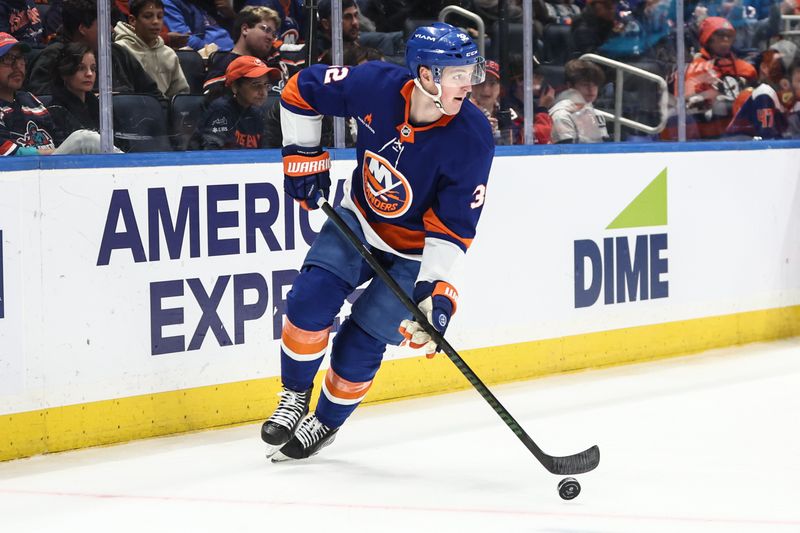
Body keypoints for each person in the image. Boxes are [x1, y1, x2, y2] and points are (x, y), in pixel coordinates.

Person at [259, 22, 494, 461]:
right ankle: (293, 396)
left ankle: (325, 422)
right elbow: (299, 90)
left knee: (360, 344)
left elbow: (454, 225)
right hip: (359, 221)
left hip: (416, 254)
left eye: (470, 72)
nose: (470, 84)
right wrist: (304, 155)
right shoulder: (374, 84)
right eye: (458, 73)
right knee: (310, 300)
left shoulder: (473, 138)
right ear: (426, 74)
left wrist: (435, 293)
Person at [0, 32, 109, 155]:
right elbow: (11, 155)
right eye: (8, 59)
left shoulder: (30, 100)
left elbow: (60, 140)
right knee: (85, 141)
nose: (17, 66)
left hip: (58, 168)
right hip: (24, 170)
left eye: (20, 58)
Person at [26, 0, 162, 97]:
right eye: (104, 22)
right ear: (83, 28)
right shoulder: (52, 57)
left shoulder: (119, 53)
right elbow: (42, 103)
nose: (111, 29)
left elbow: (155, 97)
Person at [684, 16, 757, 139]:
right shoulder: (696, 68)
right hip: (709, 134)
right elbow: (691, 103)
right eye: (720, 36)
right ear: (708, 38)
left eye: (728, 36)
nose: (725, 40)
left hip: (742, 131)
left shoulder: (745, 68)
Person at [191, 55, 280, 149]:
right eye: (256, 85)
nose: (263, 92)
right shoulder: (220, 111)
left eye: (266, 85)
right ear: (235, 87)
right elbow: (213, 153)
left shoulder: (257, 113)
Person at [113, 0, 190, 98]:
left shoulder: (169, 54)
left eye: (160, 17)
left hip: (165, 109)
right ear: (132, 20)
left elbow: (180, 94)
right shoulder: (120, 50)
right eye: (148, 16)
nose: (155, 21)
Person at [727, 44, 798, 138]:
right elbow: (767, 137)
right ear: (764, 67)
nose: (784, 73)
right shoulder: (761, 93)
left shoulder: (786, 97)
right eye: (779, 66)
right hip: (743, 148)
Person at [46, 42, 100, 145]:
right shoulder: (56, 110)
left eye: (93, 69)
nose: (89, 74)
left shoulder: (97, 105)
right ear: (64, 72)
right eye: (81, 68)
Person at [549, 58, 609, 143]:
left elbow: (604, 149)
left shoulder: (597, 114)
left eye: (595, 85)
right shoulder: (561, 115)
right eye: (585, 85)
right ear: (570, 86)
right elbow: (565, 152)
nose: (591, 90)